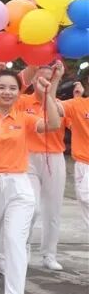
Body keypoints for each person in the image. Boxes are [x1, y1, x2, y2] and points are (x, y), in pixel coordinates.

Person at [0, 66, 62, 294]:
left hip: (19, 184)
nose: (7, 92)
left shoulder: (23, 118)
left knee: (15, 240)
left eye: (12, 88)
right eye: (1, 87)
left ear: (18, 92)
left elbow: (54, 124)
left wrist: (48, 94)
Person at [20, 64, 67, 271]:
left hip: (54, 157)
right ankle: (24, 247)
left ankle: (49, 253)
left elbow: (58, 118)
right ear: (33, 79)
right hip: (28, 156)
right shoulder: (22, 102)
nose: (45, 81)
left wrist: (53, 85)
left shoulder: (59, 104)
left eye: (50, 78)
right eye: (41, 77)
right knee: (32, 206)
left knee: (53, 208)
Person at [63, 75, 89, 229]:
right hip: (81, 163)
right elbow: (72, 124)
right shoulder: (79, 104)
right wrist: (77, 98)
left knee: (86, 196)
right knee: (83, 199)